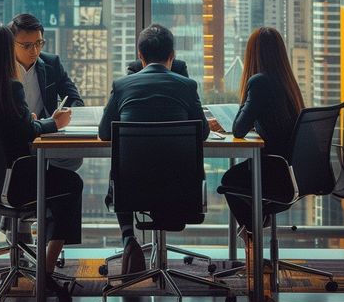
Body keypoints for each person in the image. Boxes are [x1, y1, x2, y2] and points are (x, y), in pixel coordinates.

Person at [0, 22, 83, 300]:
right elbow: (27, 132)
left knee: (51, 177)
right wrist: (53, 124)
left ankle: (18, 241)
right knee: (71, 183)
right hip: (12, 181)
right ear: (4, 52)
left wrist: (28, 122)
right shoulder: (11, 87)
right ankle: (45, 272)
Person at [99, 23, 209, 275]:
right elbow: (201, 133)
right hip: (180, 188)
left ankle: (129, 238)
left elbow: (105, 133)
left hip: (131, 189)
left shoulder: (122, 85)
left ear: (140, 55)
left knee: (122, 166)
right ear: (172, 56)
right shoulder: (187, 86)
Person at [218, 26, 305, 234]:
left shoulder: (259, 82)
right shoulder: (288, 82)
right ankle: (254, 232)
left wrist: (246, 96)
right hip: (294, 172)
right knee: (239, 176)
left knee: (229, 180)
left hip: (275, 174)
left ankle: (252, 237)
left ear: (253, 54)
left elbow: (238, 129)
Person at [8, 13, 84, 172]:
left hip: (43, 135)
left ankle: (43, 186)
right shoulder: (2, 69)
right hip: (12, 138)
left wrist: (69, 111)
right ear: (11, 43)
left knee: (74, 158)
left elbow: (74, 98)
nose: (34, 50)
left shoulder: (51, 63)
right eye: (27, 45)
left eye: (39, 43)